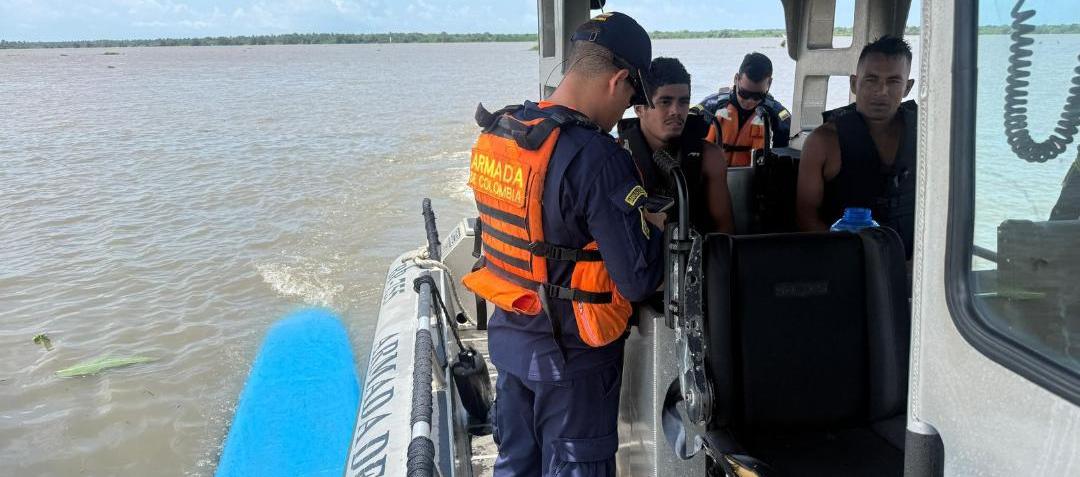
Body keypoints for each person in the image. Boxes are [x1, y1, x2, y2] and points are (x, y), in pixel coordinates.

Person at [460, 12, 665, 477]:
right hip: (574, 366)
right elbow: (637, 279)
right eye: (633, 96)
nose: (627, 111)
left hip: (512, 345)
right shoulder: (599, 158)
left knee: (516, 466)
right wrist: (651, 225)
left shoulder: (502, 133)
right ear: (617, 81)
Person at [796, 35, 918, 258]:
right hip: (846, 263)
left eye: (893, 82)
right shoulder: (823, 142)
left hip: (916, 266)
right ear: (854, 83)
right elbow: (806, 216)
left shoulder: (926, 135)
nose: (882, 91)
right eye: (871, 80)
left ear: (908, 87)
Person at [618, 57, 735, 233]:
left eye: (684, 102)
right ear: (639, 108)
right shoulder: (616, 158)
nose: (676, 111)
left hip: (695, 255)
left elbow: (724, 231)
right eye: (665, 102)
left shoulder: (710, 157)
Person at [691, 52, 792, 167]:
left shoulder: (777, 115)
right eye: (744, 93)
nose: (750, 101)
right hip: (712, 177)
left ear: (769, 83)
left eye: (758, 96)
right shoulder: (711, 106)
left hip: (752, 180)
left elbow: (785, 155)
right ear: (736, 79)